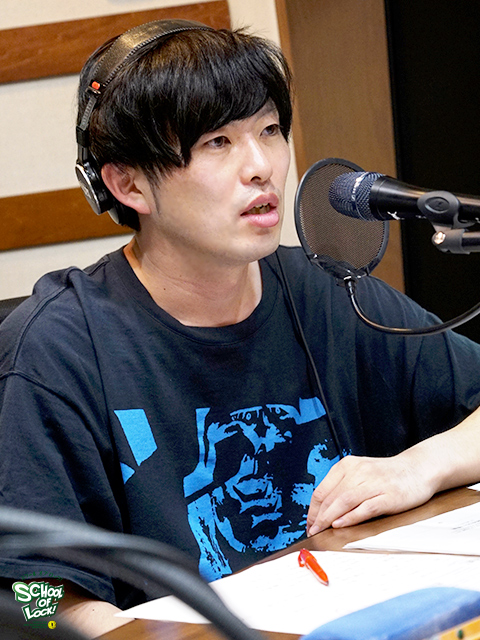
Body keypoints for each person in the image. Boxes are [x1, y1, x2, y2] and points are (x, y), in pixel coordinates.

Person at [1, 17, 480, 637]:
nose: (261, 167)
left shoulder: (323, 289)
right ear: (127, 183)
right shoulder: (53, 350)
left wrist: (421, 466)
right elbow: (29, 597)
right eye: (217, 143)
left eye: (270, 131)